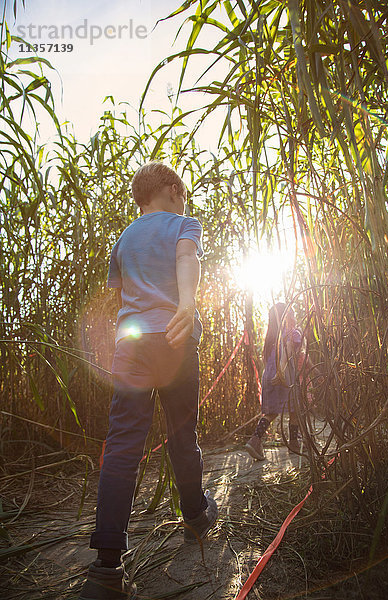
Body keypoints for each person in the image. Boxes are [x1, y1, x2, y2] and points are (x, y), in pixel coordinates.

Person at [79, 161, 218, 600]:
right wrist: (186, 304)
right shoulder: (183, 223)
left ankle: (106, 566)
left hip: (132, 345)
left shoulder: (123, 238)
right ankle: (195, 513)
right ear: (174, 188)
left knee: (122, 445)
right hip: (175, 338)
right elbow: (185, 258)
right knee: (182, 434)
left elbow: (118, 294)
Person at [245, 302, 302, 461]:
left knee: (271, 412)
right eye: (292, 314)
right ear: (287, 316)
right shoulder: (292, 333)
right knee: (294, 409)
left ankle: (255, 440)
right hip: (284, 374)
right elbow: (288, 350)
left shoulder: (271, 337)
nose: (294, 317)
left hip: (268, 375)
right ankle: (294, 444)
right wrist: (282, 370)